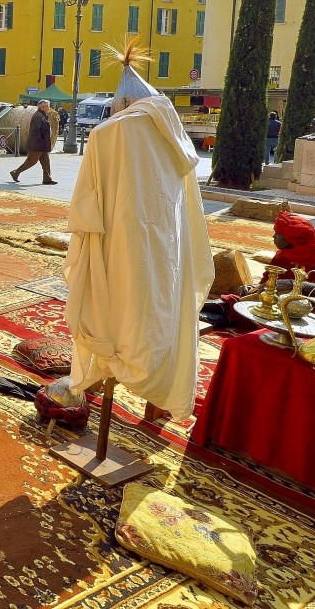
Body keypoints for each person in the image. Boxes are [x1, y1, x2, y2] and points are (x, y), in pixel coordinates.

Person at [65, 42, 214, 419]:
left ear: (120, 104)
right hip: (169, 248)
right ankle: (156, 407)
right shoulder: (174, 130)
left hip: (121, 244)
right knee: (164, 315)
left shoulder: (107, 135)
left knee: (120, 316)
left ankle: (106, 378)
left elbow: (84, 212)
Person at [10, 100, 59, 186]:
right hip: (37, 145)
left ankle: (47, 179)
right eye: (48, 106)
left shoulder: (43, 115)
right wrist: (40, 144)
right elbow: (36, 132)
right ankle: (15, 173)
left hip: (42, 145)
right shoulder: (38, 116)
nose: (49, 108)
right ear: (42, 107)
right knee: (31, 161)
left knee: (46, 162)